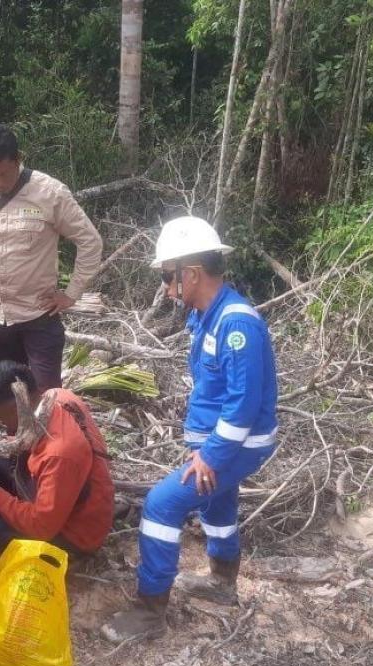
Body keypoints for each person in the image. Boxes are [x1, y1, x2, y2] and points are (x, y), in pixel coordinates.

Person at [101, 216, 279, 642]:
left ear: (192, 274)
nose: (165, 287)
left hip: (239, 444)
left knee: (162, 505)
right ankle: (222, 581)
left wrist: (210, 456)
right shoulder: (209, 316)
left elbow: (242, 404)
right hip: (222, 442)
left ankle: (149, 611)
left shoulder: (236, 324)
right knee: (217, 502)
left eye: (167, 276)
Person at [0, 124, 103, 393]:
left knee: (47, 397)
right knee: (7, 397)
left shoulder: (50, 193)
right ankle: (14, 436)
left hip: (38, 317)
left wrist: (72, 293)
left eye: (3, 174)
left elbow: (90, 241)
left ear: (17, 159)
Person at [0, 360, 115, 555]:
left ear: (21, 405)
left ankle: (68, 554)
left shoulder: (60, 453)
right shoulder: (56, 396)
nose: (1, 423)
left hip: (74, 534)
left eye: (2, 418)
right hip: (67, 492)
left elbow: (41, 528)